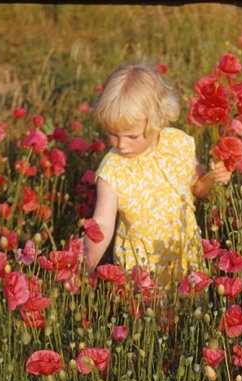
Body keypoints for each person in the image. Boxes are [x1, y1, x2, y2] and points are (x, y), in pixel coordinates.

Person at [83, 63, 232, 292]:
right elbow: (102, 223)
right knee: (148, 321)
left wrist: (213, 176)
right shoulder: (112, 169)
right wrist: (85, 266)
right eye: (113, 134)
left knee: (189, 314)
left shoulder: (178, 144)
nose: (122, 145)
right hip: (141, 268)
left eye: (132, 136)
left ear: (156, 121)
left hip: (184, 256)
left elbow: (197, 188)